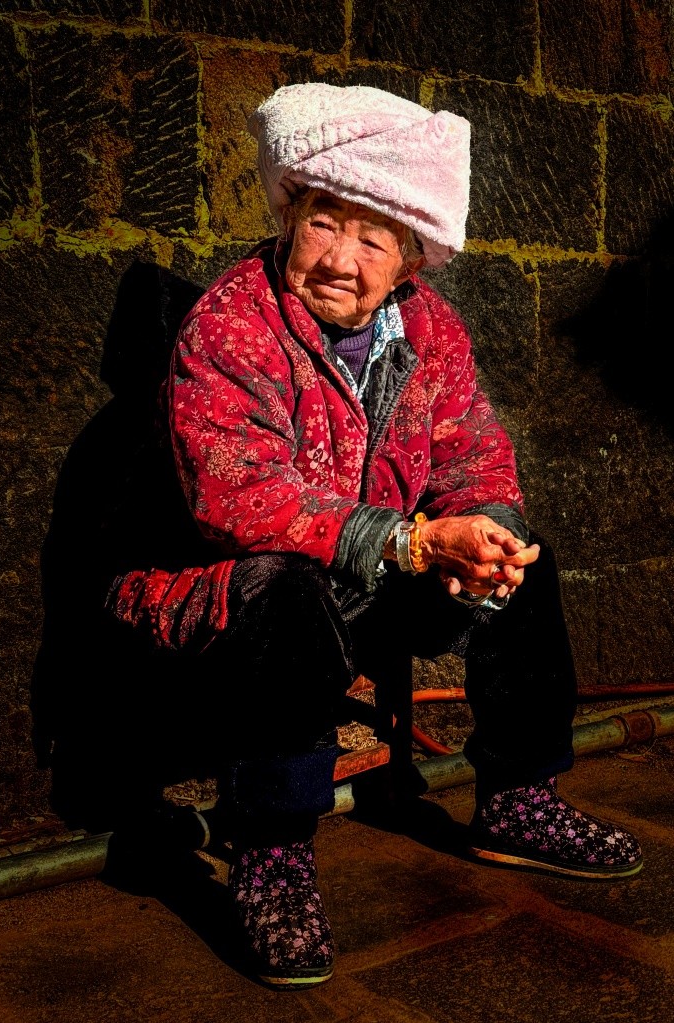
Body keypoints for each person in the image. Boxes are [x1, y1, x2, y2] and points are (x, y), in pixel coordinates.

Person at [69, 83, 644, 990]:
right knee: (286, 591)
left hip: (372, 573)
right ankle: (271, 851)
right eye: (322, 223)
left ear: (410, 257)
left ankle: (517, 794)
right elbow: (237, 497)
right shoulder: (231, 323)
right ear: (287, 218)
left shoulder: (428, 328)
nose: (341, 258)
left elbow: (474, 453)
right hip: (223, 584)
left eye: (373, 238)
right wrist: (412, 543)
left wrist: (487, 531)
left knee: (522, 567)